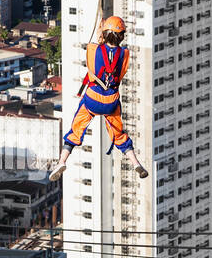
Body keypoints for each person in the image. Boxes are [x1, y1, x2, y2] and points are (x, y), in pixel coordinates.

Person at [49, 15, 148, 181]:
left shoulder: (93, 49)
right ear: (122, 36)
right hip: (111, 100)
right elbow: (120, 73)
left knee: (76, 129)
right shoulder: (124, 54)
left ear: (104, 34)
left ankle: (62, 161)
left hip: (92, 98)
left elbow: (95, 51)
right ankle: (135, 162)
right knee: (118, 133)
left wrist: (100, 29)